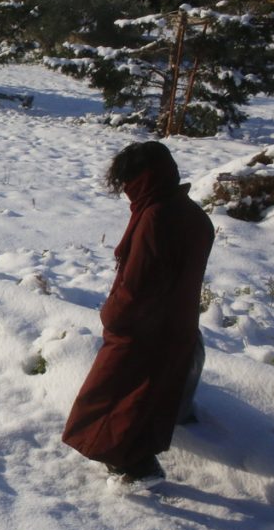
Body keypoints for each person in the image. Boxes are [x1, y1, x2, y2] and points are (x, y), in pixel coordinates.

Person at [62, 141, 214, 485]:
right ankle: (138, 462)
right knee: (143, 401)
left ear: (145, 178)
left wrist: (112, 317)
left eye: (130, 182)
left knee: (107, 403)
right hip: (177, 326)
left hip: (143, 330)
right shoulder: (192, 213)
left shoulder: (156, 217)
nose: (128, 191)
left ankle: (134, 466)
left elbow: (138, 284)